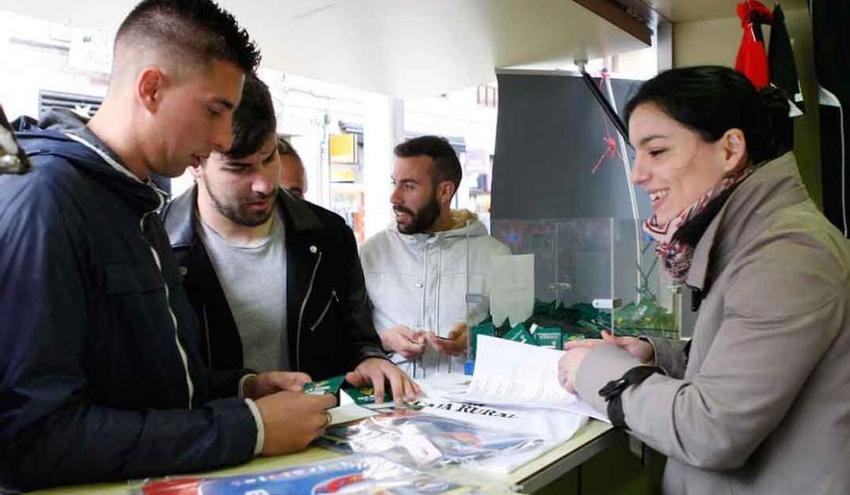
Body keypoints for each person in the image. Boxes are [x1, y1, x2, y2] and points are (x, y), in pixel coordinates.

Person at [0, 1, 335, 490]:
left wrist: (245, 388)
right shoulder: (46, 203)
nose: (223, 138)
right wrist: (250, 429)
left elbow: (149, 387)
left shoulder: (138, 203)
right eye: (215, 110)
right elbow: (30, 437)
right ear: (151, 88)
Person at [558, 66, 850, 495]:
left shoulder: (788, 253)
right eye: (637, 155)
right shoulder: (755, 238)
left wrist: (597, 373)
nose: (637, 174)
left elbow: (712, 431)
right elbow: (743, 368)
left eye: (656, 152)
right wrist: (656, 358)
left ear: (730, 149)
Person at [164, 73, 418, 403]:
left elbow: (360, 338)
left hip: (323, 436)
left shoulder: (330, 235)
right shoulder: (155, 247)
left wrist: (371, 359)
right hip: (216, 444)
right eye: (239, 168)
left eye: (269, 158)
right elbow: (161, 381)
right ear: (195, 161)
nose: (265, 184)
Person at [359, 136, 510, 376]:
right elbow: (346, 337)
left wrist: (477, 338)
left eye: (409, 186)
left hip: (469, 405)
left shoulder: (496, 256)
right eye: (394, 183)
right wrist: (384, 340)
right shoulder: (370, 253)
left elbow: (518, 340)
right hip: (390, 403)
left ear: (444, 191)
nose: (394, 198)